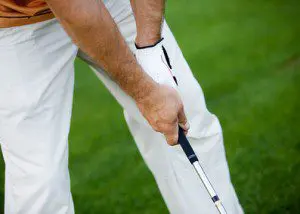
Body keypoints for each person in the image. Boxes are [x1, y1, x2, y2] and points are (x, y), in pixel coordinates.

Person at [0, 0, 243, 213]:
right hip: (15, 21)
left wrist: (151, 50)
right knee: (39, 180)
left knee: (185, 116)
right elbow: (77, 11)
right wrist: (146, 93)